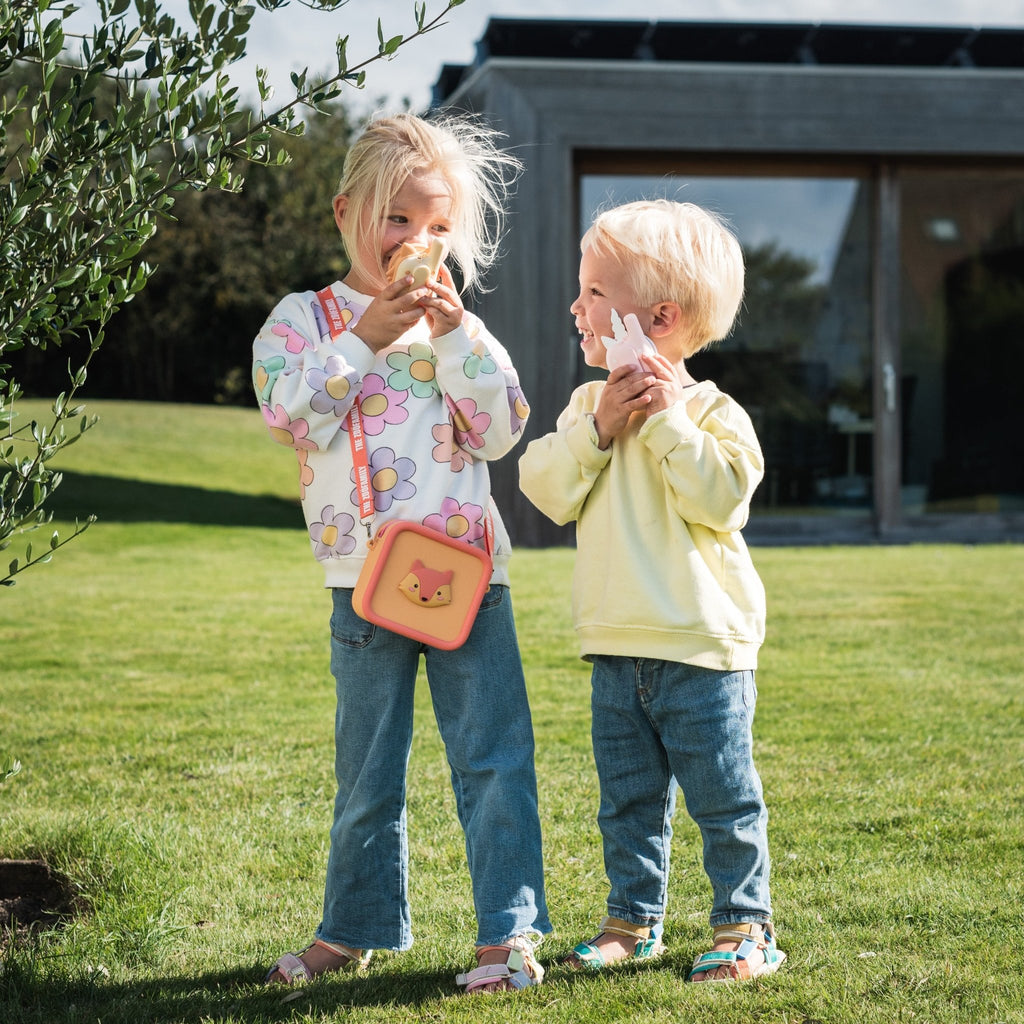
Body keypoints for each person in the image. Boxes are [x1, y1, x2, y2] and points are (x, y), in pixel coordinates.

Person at [253, 112, 549, 994]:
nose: (419, 243)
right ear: (348, 212)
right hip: (364, 583)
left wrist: (455, 339)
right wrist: (367, 337)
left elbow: (500, 432)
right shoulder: (305, 320)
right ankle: (355, 926)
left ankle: (509, 936)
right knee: (368, 767)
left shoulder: (463, 332)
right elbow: (287, 411)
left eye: (438, 227)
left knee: (495, 760)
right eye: (398, 220)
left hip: (467, 580)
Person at [518, 199, 785, 983]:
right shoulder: (585, 408)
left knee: (724, 801)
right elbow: (544, 488)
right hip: (615, 647)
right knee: (628, 803)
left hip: (701, 650)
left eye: (594, 292)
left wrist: (666, 417)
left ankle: (746, 927)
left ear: (658, 317)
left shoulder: (713, 414)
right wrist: (599, 427)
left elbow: (721, 498)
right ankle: (631, 923)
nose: (576, 306)